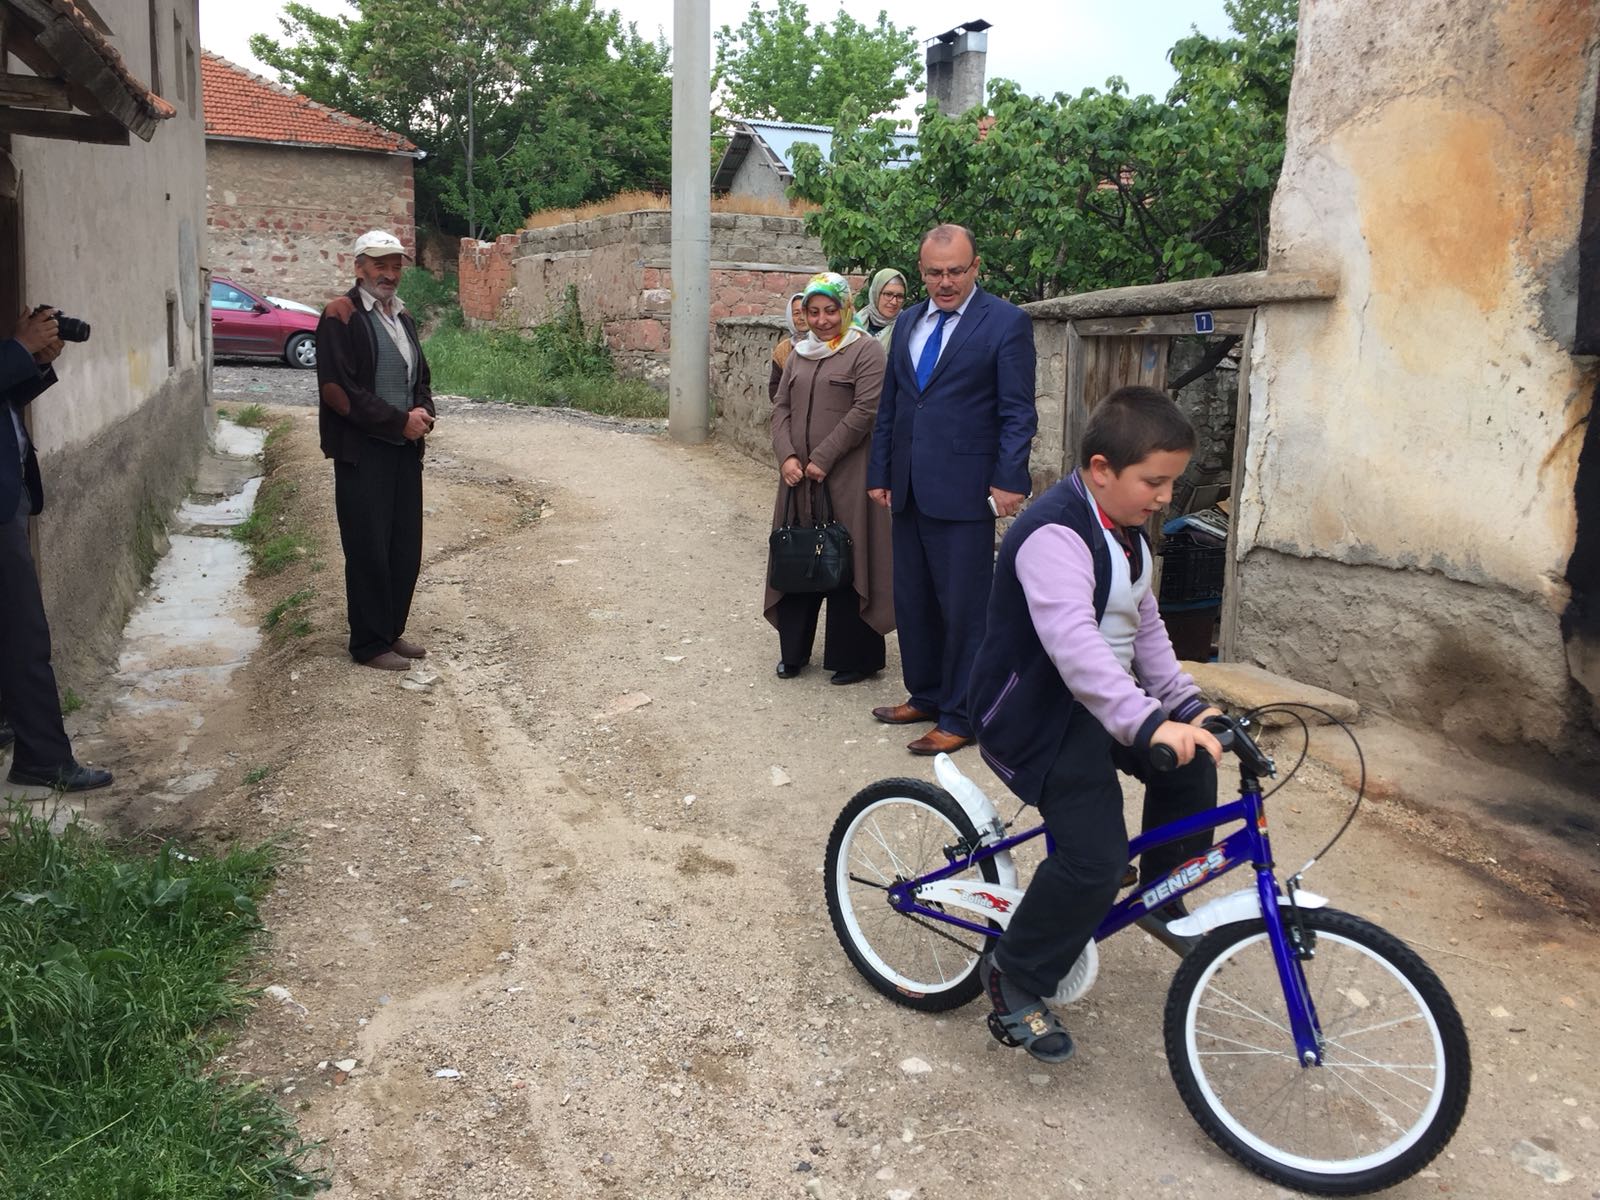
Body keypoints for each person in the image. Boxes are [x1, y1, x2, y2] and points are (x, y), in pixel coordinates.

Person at [967, 386, 1223, 1064]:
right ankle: (1016, 974)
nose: (1167, 496)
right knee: (1095, 856)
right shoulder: (1054, 533)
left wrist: (1188, 708)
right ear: (1103, 468)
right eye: (1156, 481)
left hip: (1103, 705)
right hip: (1037, 715)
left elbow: (1144, 627)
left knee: (1195, 761)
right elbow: (1076, 647)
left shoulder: (1126, 530)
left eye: (1173, 481)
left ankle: (1165, 894)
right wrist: (1147, 722)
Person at [866, 224, 1037, 755]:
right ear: (922, 272)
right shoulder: (911, 320)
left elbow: (1017, 411)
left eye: (955, 272)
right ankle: (927, 693)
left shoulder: (1006, 323)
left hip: (965, 491)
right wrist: (880, 473)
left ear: (975, 268)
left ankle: (962, 715)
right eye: (935, 272)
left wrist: (1010, 478)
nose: (945, 282)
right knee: (913, 598)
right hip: (909, 487)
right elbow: (893, 405)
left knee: (965, 609)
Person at [0, 306, 112, 791]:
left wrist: (35, 362)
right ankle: (42, 758)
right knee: (24, 635)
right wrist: (18, 349)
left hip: (10, 493)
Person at [764, 273, 894, 685]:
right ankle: (794, 653)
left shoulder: (866, 351)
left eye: (830, 311)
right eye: (813, 312)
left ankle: (853, 658)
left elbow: (866, 410)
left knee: (847, 556)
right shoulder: (799, 353)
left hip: (847, 477)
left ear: (846, 309)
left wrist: (822, 457)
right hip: (797, 477)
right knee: (797, 556)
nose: (821, 320)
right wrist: (786, 455)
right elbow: (781, 406)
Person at [316, 230, 436, 671]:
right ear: (359, 267)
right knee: (368, 547)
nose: (389, 274)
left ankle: (390, 631)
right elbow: (338, 391)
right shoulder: (340, 315)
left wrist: (423, 409)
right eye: (380, 265)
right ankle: (368, 644)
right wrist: (397, 421)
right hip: (362, 454)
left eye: (396, 265)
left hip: (404, 451)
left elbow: (419, 377)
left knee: (404, 546)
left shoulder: (402, 318)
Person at [768, 291, 807, 403]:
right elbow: (774, 387)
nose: (801, 318)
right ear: (790, 317)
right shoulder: (782, 349)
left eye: (805, 312)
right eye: (796, 313)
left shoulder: (823, 344)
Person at [853, 268, 908, 349]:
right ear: (876, 294)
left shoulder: (905, 328)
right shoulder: (856, 323)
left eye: (899, 296)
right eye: (888, 294)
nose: (894, 302)